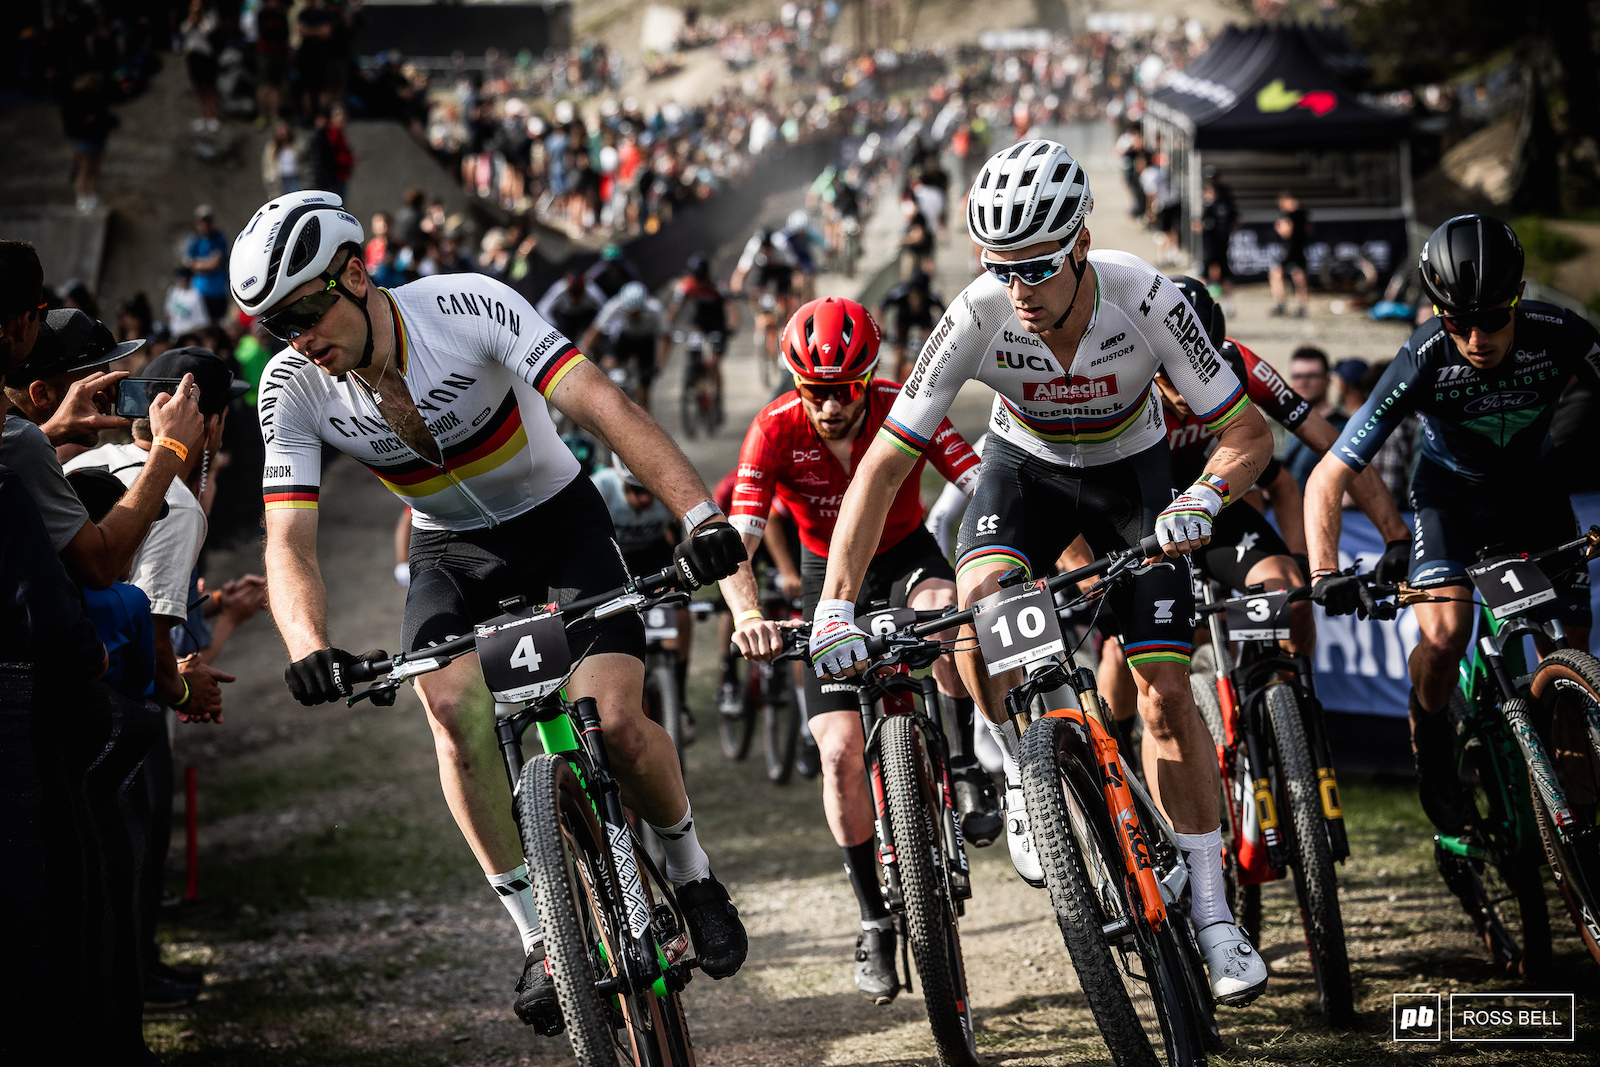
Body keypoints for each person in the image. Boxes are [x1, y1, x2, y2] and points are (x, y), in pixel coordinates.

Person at [232, 190, 753, 1031]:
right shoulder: (293, 388)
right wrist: (309, 644)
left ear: (356, 276)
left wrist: (702, 519)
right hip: (450, 550)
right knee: (448, 710)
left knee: (616, 723)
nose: (296, 342)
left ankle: (694, 877)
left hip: (561, 523)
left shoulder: (467, 307)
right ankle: (542, 936)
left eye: (304, 313)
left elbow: (606, 409)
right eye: (273, 327)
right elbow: (286, 540)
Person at [808, 140, 1274, 1006]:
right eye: (1000, 267)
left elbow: (1249, 435)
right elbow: (882, 466)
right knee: (980, 602)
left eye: (1039, 266)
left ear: (1084, 244)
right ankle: (1022, 770)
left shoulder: (1145, 296)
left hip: (1134, 482)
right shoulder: (978, 310)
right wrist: (834, 607)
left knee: (1168, 690)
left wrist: (1206, 498)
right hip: (1024, 475)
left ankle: (1213, 917)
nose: (1018, 288)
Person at [725, 297, 990, 1001]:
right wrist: (748, 611)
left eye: (843, 391)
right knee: (840, 751)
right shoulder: (774, 429)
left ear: (868, 379)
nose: (830, 406)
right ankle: (873, 917)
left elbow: (975, 478)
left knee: (943, 614)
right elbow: (738, 539)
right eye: (814, 391)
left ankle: (963, 762)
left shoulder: (906, 404)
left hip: (906, 553)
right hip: (823, 578)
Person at [1306, 213, 1600, 839]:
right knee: (1444, 637)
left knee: (1571, 638)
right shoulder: (1421, 356)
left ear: (1518, 301)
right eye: (1457, 321)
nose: (1475, 337)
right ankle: (1433, 748)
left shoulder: (1562, 332)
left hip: (1537, 496)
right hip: (1449, 503)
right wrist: (1325, 571)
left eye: (1493, 317)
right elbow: (1327, 476)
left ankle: (1576, 803)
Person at [593, 456, 695, 735]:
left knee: (682, 614)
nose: (645, 499)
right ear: (622, 483)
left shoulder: (665, 492)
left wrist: (680, 583)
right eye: (636, 491)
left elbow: (679, 544)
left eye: (649, 491)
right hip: (613, 559)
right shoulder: (602, 487)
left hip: (653, 555)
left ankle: (679, 697)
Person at [580, 280, 670, 413]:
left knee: (643, 391)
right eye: (630, 312)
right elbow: (594, 331)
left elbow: (667, 338)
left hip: (646, 343)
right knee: (608, 364)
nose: (634, 316)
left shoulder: (655, 309)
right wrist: (583, 354)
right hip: (626, 338)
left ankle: (645, 425)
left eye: (637, 312)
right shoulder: (615, 305)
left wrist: (659, 364)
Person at [666, 254, 738, 417]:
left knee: (714, 363)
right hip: (699, 323)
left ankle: (718, 401)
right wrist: (666, 328)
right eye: (696, 278)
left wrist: (733, 327)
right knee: (692, 348)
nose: (700, 282)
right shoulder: (686, 286)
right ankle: (693, 376)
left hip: (718, 325)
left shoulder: (718, 284)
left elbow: (731, 307)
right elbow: (673, 310)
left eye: (702, 278)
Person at [729, 228, 797, 372]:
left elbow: (793, 266)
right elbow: (741, 270)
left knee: (784, 297)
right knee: (756, 289)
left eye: (768, 248)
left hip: (781, 268)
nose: (766, 250)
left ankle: (783, 330)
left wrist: (792, 289)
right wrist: (736, 290)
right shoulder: (753, 246)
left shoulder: (781, 244)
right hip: (763, 269)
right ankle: (760, 319)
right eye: (763, 248)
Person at [1279, 346, 1334, 488]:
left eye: (1312, 376)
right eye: (1297, 376)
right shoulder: (1282, 425)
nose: (1303, 382)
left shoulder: (1343, 426)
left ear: (1327, 380)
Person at [877, 270, 944, 383]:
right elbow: (879, 308)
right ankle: (896, 383)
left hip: (924, 321)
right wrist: (882, 329)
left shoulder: (932, 296)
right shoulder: (900, 292)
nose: (916, 301)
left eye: (920, 296)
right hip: (903, 322)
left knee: (931, 350)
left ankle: (929, 380)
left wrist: (938, 337)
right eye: (913, 295)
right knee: (899, 356)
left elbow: (946, 315)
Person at [1194, 175, 1236, 314]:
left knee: (1204, 275)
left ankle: (1199, 305)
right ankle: (1230, 305)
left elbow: (1201, 225)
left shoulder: (1212, 207)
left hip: (1211, 247)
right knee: (1225, 275)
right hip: (1223, 245)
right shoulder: (1227, 204)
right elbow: (1236, 221)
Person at [183, 206, 231, 323]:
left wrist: (197, 264)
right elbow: (186, 261)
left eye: (208, 221)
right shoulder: (193, 240)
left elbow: (215, 263)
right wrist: (205, 263)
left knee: (217, 324)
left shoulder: (219, 238)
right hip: (199, 292)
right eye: (202, 222)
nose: (205, 225)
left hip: (218, 292)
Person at [180, 0, 220, 133]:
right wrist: (192, 18)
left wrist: (200, 18)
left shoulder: (211, 15)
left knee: (209, 87)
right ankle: (203, 116)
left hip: (207, 56)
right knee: (198, 87)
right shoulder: (189, 16)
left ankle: (212, 116)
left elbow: (207, 30)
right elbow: (184, 30)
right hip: (193, 56)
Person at [1269, 191, 1311, 318]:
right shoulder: (1303, 214)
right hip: (1297, 249)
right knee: (1287, 275)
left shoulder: (1290, 216)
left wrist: (1279, 227)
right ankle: (1298, 305)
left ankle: (1285, 304)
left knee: (1290, 276)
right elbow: (1309, 229)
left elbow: (1286, 232)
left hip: (1292, 251)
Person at [535, 271, 607, 342]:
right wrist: (554, 326)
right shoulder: (559, 289)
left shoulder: (592, 290)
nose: (576, 299)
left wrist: (599, 324)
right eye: (573, 295)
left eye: (579, 295)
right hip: (566, 317)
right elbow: (542, 307)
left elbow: (605, 308)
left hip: (587, 315)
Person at [254, 0, 291, 127]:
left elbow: (285, 34)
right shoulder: (262, 14)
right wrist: (276, 34)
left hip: (279, 53)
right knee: (264, 85)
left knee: (276, 86)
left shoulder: (281, 15)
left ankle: (275, 115)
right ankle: (261, 115)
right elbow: (265, 31)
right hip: (265, 53)